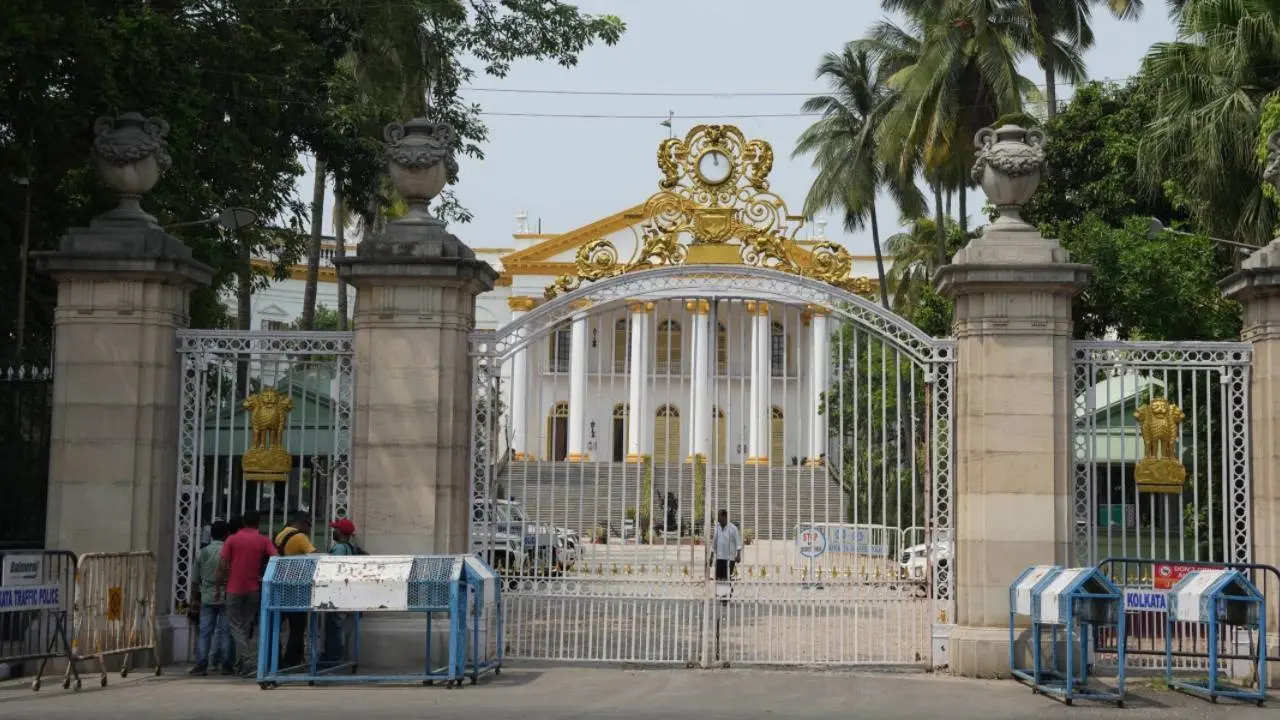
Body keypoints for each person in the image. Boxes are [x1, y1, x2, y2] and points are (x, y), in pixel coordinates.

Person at [218, 511, 275, 677]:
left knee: (236, 627)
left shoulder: (232, 539)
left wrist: (218, 586)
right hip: (253, 588)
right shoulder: (263, 540)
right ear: (258, 523)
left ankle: (248, 661)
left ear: (243, 522)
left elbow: (222, 564)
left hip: (234, 588)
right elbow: (276, 558)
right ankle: (240, 664)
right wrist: (263, 576)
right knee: (244, 626)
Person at [189, 521, 233, 676]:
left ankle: (201, 664)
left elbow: (195, 580)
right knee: (226, 631)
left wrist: (194, 599)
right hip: (226, 594)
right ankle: (226, 665)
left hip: (207, 595)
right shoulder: (229, 552)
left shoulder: (202, 552)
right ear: (226, 534)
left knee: (205, 632)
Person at [273, 512, 317, 668]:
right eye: (309, 525)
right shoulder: (300, 537)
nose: (309, 529)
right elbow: (313, 556)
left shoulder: (281, 535)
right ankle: (292, 660)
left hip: (281, 584)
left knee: (276, 624)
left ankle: (274, 659)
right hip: (296, 586)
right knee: (297, 625)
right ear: (303, 523)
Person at [320, 518, 362, 663]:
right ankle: (336, 657)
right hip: (347, 592)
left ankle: (333, 658)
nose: (333, 531)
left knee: (334, 626)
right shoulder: (351, 548)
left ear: (341, 532)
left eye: (336, 529)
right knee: (338, 626)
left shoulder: (339, 548)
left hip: (336, 592)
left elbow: (332, 569)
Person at [710, 509, 742, 581]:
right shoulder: (717, 527)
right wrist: (711, 556)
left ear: (724, 517)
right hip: (719, 558)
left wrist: (738, 555)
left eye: (719, 516)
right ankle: (719, 593)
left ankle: (728, 592)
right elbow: (714, 543)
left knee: (727, 579)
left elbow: (738, 543)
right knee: (718, 579)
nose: (717, 518)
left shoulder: (733, 528)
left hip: (730, 558)